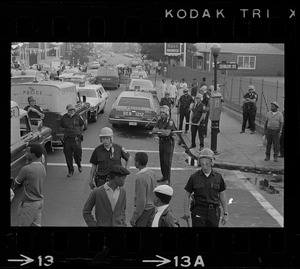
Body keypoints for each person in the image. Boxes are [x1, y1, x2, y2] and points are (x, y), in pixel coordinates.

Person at [182, 148, 228, 227]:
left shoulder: (218, 177)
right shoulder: (194, 177)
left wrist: (225, 213)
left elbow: (222, 195)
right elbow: (187, 194)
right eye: (202, 164)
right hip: (198, 210)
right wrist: (186, 211)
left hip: (213, 212)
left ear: (212, 162)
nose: (205, 167)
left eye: (207, 164)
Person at [12, 143, 46, 226]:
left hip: (28, 204)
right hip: (39, 202)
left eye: (27, 152)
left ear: (33, 154)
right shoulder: (42, 167)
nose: (25, 154)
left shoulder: (26, 169)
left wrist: (23, 183)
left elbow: (15, 185)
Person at [130, 152, 157, 227]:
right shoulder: (151, 173)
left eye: (135, 161)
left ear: (138, 163)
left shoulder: (140, 178)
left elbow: (141, 201)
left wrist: (134, 217)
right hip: (152, 208)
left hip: (144, 210)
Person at [152, 106, 176, 185]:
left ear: (167, 113)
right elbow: (154, 130)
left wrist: (160, 131)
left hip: (168, 142)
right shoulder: (159, 121)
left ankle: (168, 179)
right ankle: (164, 176)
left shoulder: (170, 121)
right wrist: (161, 131)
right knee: (162, 161)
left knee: (167, 161)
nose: (161, 114)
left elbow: (167, 133)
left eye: (163, 112)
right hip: (161, 142)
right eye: (161, 112)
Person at [59, 104, 84, 177]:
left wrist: (78, 132)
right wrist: (65, 132)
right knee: (68, 156)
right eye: (70, 110)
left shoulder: (78, 117)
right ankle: (70, 170)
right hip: (67, 139)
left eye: (73, 110)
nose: (72, 111)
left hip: (76, 139)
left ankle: (79, 164)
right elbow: (60, 127)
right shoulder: (63, 118)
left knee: (78, 154)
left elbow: (82, 126)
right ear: (67, 110)